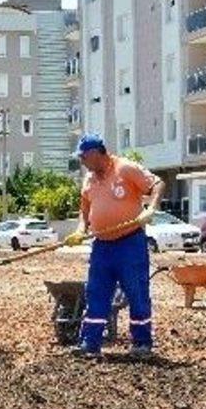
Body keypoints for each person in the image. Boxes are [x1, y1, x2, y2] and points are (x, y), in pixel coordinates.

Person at [66, 134, 164, 358]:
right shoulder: (89, 179)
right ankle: (90, 343)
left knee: (136, 292)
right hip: (102, 246)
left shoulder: (125, 168)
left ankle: (142, 343)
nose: (81, 161)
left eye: (83, 156)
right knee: (96, 292)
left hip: (130, 243)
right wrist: (81, 229)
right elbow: (85, 209)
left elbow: (158, 183)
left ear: (96, 153)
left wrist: (151, 209)